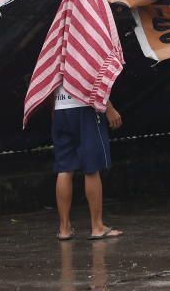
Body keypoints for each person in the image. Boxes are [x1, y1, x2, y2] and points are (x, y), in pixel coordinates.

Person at [53, 86, 124, 240]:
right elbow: (91, 76)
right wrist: (109, 107)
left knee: (65, 168)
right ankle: (97, 226)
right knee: (92, 167)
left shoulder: (50, 59)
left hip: (60, 108)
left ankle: (64, 228)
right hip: (85, 107)